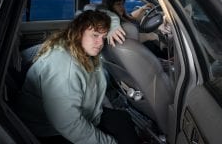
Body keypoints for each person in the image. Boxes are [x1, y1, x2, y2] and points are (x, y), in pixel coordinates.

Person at [15, 10, 139, 144]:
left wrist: (114, 24)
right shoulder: (64, 66)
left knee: (122, 120)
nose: (100, 43)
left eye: (103, 37)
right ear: (79, 33)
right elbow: (69, 124)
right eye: (95, 35)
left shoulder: (82, 51)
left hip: (85, 113)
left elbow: (95, 89)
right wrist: (109, 142)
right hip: (50, 130)